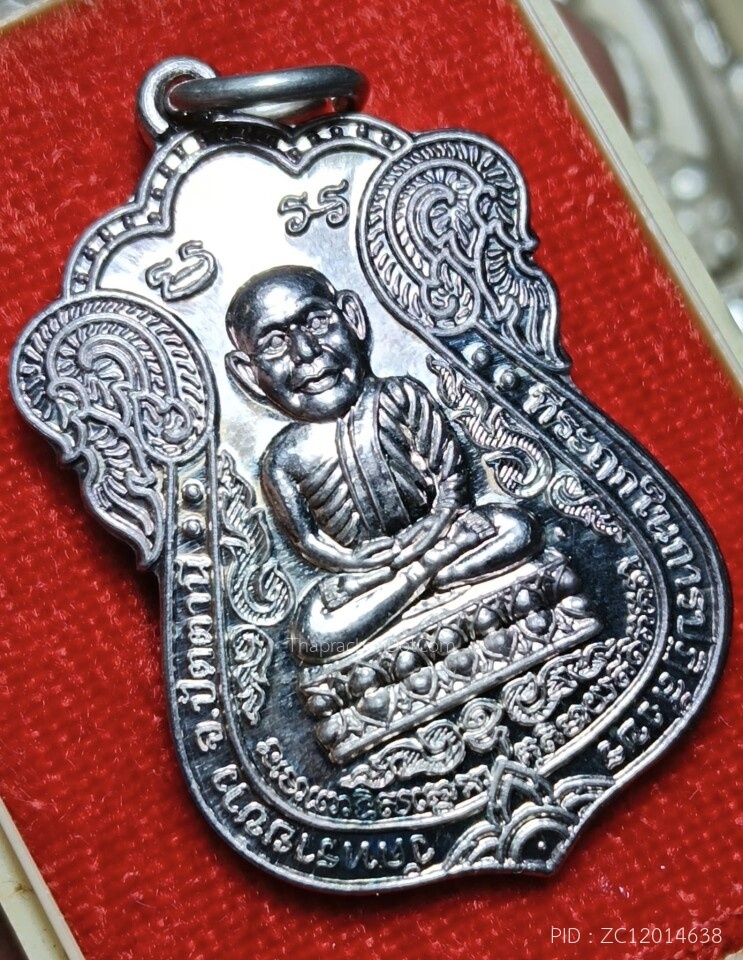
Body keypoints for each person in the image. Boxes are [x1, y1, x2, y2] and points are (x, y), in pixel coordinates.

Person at [226, 265, 542, 662]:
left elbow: (451, 480)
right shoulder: (282, 459)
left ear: (353, 318)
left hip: (442, 535)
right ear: (247, 374)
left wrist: (434, 527)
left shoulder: (400, 395)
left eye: (317, 322)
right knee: (313, 633)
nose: (305, 352)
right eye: (274, 344)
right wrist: (351, 561)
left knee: (515, 528)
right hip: (374, 573)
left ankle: (419, 581)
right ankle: (428, 576)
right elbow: (307, 541)